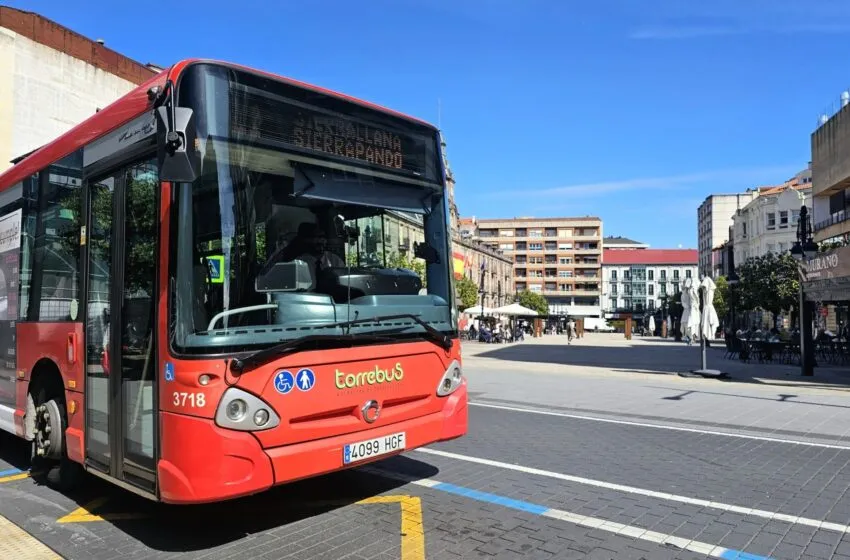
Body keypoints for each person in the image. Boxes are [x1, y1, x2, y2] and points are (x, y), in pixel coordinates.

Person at [261, 221, 345, 289]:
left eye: (323, 237)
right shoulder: (295, 262)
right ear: (304, 240)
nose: (321, 241)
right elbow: (266, 278)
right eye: (314, 237)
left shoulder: (335, 261)